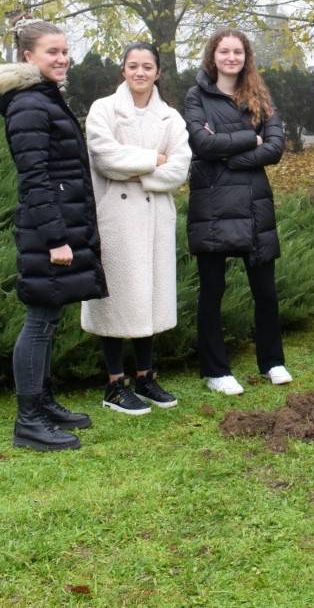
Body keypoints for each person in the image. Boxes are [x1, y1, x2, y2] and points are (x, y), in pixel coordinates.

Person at [0, 14, 107, 452]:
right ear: (27, 56)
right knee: (39, 322)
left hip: (57, 225)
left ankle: (45, 403)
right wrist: (56, 239)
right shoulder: (30, 105)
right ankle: (28, 421)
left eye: (66, 51)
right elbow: (35, 179)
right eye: (53, 52)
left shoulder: (42, 98)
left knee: (49, 319)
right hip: (46, 231)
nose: (63, 59)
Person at [81, 43, 191, 415]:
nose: (140, 72)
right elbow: (105, 158)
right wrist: (153, 160)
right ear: (123, 71)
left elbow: (179, 169)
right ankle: (114, 384)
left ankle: (145, 376)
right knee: (116, 299)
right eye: (133, 66)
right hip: (116, 215)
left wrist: (143, 169)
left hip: (156, 215)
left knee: (150, 296)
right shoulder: (103, 109)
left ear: (158, 72)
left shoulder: (171, 117)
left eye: (147, 66)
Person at [184, 28, 292, 396]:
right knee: (212, 290)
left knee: (265, 290)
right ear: (212, 55)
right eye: (224, 51)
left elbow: (276, 147)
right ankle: (216, 370)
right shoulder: (196, 95)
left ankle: (273, 362)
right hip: (212, 206)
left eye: (238, 52)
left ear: (246, 56)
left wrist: (226, 152)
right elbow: (200, 143)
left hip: (253, 202)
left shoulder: (260, 95)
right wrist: (250, 138)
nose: (231, 57)